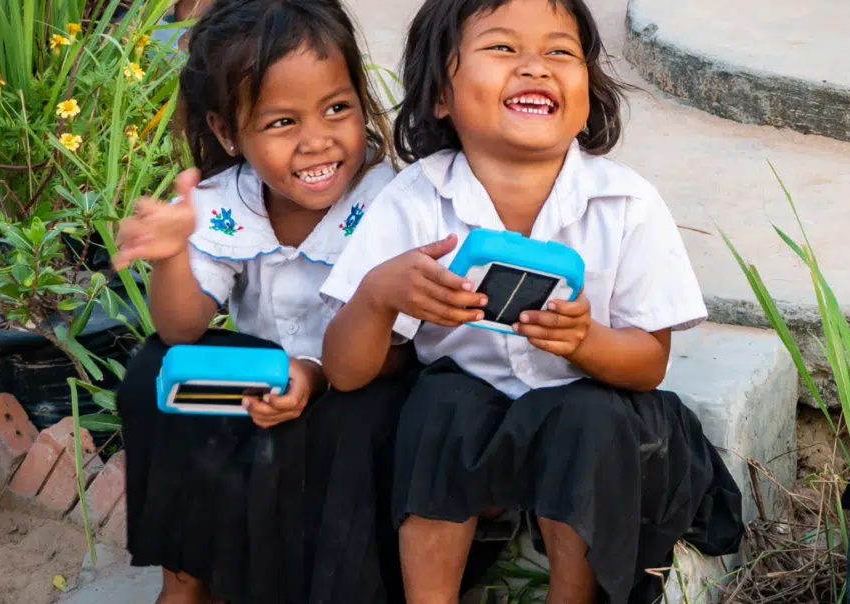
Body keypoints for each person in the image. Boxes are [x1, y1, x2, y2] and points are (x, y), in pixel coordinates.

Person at [318, 0, 746, 602]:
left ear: (587, 94)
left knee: (585, 418)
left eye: (560, 51)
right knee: (440, 404)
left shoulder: (625, 204)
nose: (535, 66)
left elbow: (649, 364)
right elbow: (344, 372)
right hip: (463, 424)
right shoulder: (415, 200)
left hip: (594, 424)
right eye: (502, 47)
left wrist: (586, 341)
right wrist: (378, 296)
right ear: (440, 94)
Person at [113, 0, 411, 602]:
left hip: (358, 385)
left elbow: (405, 348)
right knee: (154, 371)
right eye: (282, 122)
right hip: (263, 381)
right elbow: (180, 329)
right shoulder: (227, 201)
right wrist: (172, 257)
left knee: (346, 420)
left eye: (337, 108)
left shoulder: (390, 201)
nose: (317, 141)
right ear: (228, 132)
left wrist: (316, 375)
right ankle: (186, 581)